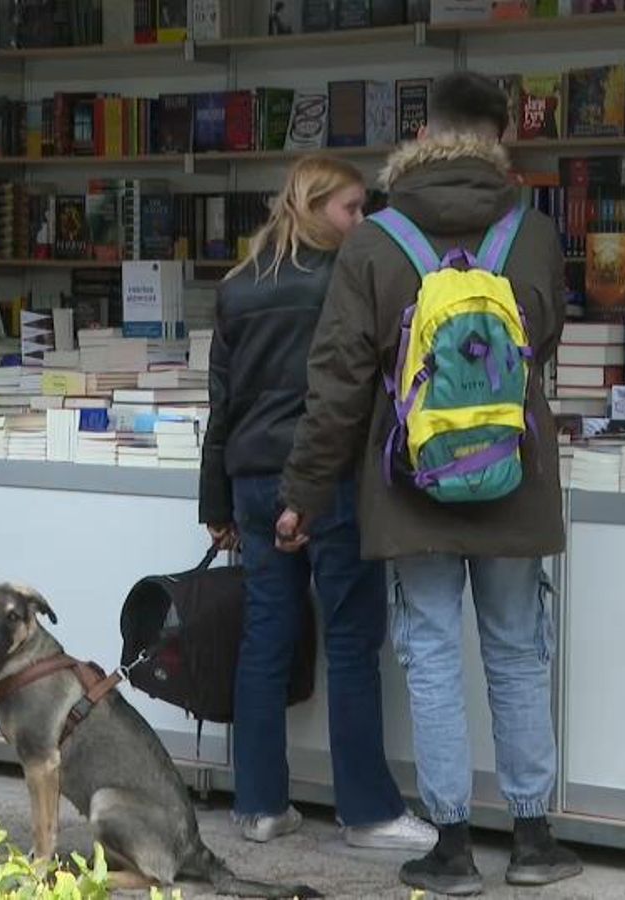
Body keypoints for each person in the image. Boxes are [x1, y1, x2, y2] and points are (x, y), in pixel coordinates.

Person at [276, 72, 578, 895]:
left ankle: (451, 847)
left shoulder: (375, 240)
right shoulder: (533, 233)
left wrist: (303, 495)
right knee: (517, 653)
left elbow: (338, 382)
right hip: (514, 477)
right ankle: (534, 839)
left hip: (410, 482)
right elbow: (540, 342)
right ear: (499, 139)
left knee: (434, 657)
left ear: (420, 136)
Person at [199, 155, 435, 853]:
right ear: (312, 206)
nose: (362, 221)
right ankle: (366, 811)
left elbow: (222, 404)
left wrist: (215, 500)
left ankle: (259, 805)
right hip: (330, 478)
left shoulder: (238, 285)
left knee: (265, 638)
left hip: (252, 481)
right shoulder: (346, 279)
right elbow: (352, 393)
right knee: (353, 641)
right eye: (351, 208)